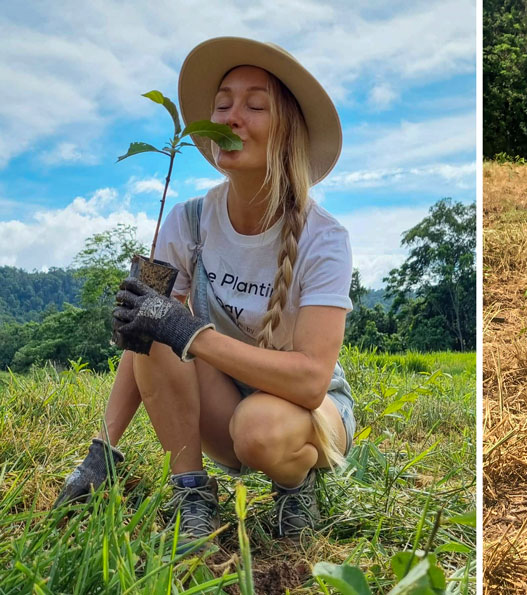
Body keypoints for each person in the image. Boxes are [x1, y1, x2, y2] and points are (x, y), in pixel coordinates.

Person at [54, 36, 356, 545]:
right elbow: (140, 335)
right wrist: (101, 450)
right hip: (220, 404)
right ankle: (190, 489)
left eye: (255, 105)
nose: (231, 117)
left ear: (288, 133)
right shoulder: (185, 219)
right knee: (149, 315)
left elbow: (309, 380)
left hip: (308, 410)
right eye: (222, 105)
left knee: (259, 427)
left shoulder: (325, 238)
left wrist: (189, 332)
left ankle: (297, 485)